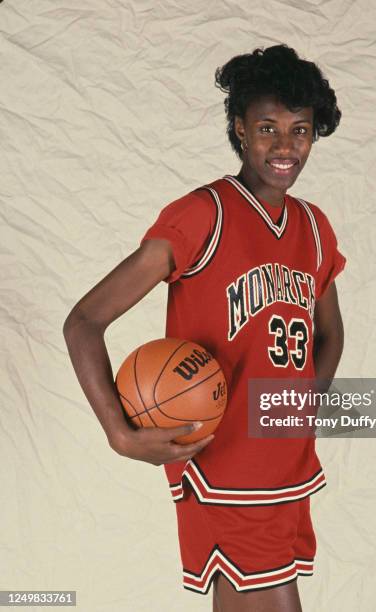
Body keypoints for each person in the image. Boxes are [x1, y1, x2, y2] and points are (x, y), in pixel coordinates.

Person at [63, 43, 346, 612]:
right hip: (221, 463)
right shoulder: (202, 215)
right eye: (267, 127)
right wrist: (120, 432)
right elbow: (85, 321)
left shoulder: (314, 228)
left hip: (287, 462)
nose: (284, 146)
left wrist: (304, 403)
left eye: (300, 130)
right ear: (239, 129)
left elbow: (330, 333)